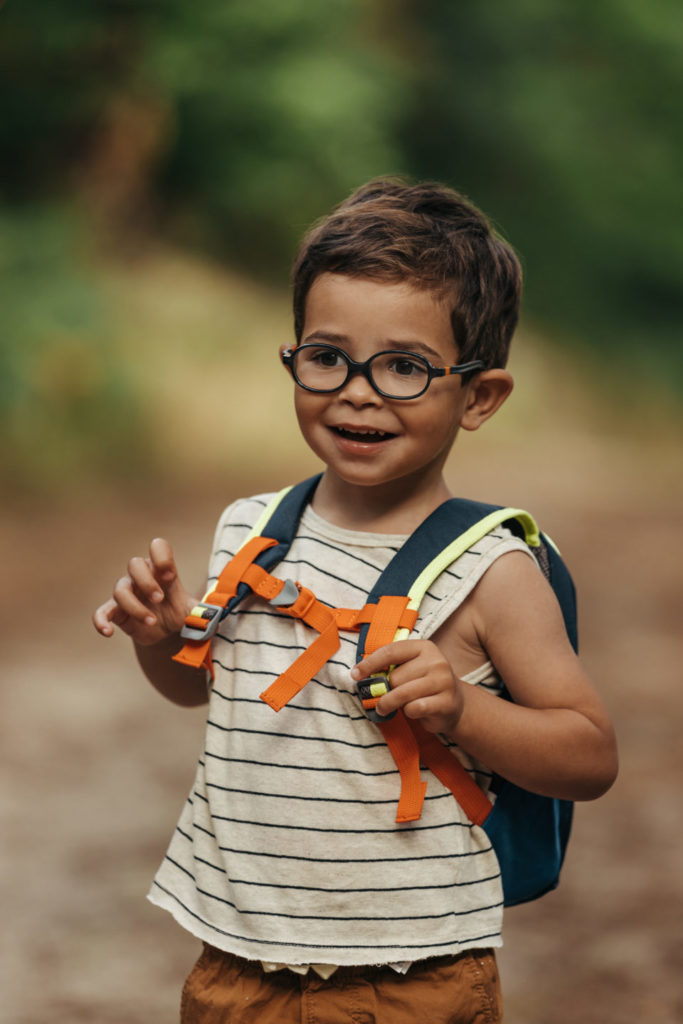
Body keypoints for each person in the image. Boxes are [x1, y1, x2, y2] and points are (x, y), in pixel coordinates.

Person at [93, 178, 618, 1023]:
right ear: (291, 359)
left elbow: (588, 756)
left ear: (479, 396)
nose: (357, 390)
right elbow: (202, 690)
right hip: (235, 958)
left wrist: (461, 710)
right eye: (327, 356)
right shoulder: (252, 529)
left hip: (409, 974)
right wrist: (158, 638)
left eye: (404, 367)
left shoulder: (490, 569)